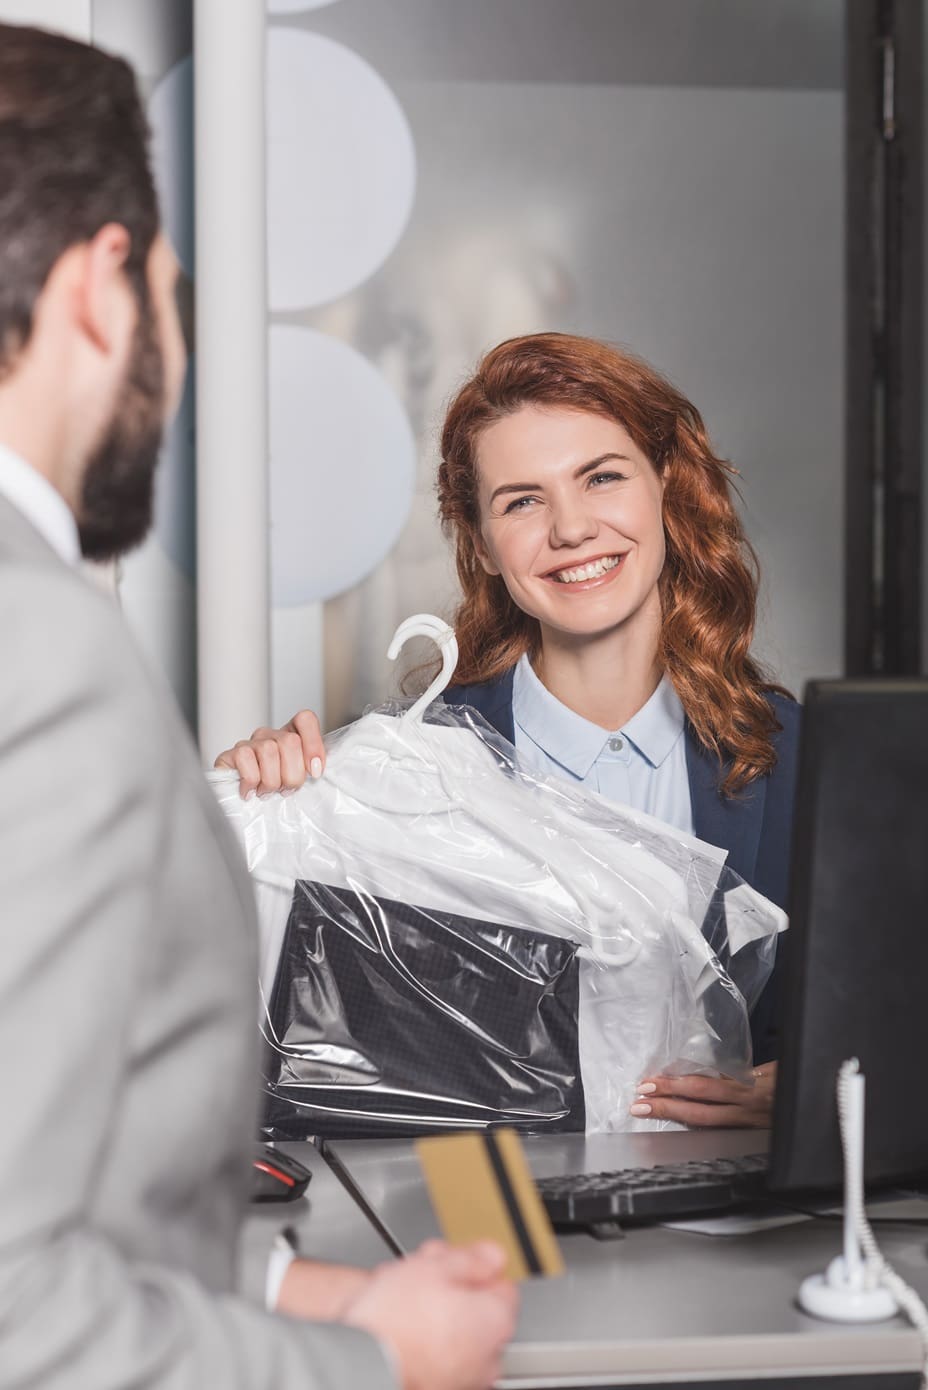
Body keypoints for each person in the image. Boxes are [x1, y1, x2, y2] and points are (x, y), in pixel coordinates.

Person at [0, 22, 517, 1390]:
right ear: (108, 288)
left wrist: (302, 1282)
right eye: (177, 294)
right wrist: (382, 1363)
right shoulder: (41, 658)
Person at [222, 333, 799, 1132]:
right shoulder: (400, 781)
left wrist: (813, 1094)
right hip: (484, 1225)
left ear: (665, 487)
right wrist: (262, 823)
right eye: (521, 501)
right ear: (483, 544)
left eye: (601, 478)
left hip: (753, 1241)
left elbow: (893, 1022)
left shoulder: (809, 762)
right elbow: (336, 1071)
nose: (570, 529)